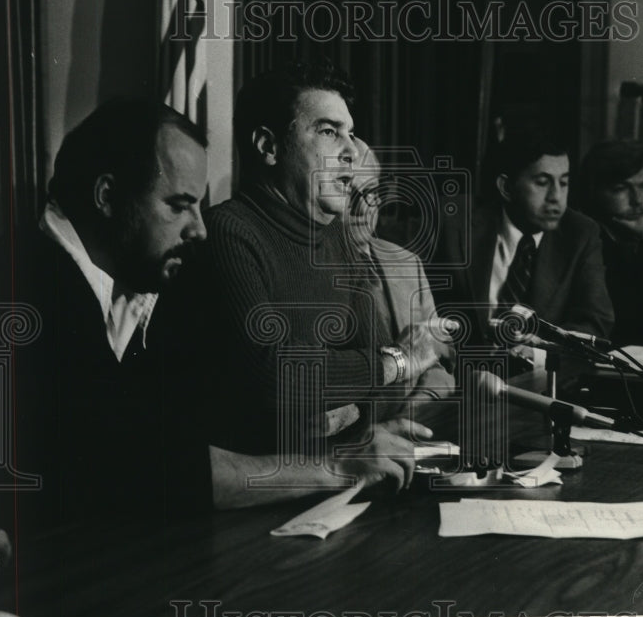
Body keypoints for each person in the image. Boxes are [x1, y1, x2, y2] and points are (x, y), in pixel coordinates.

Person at [0, 98, 421, 548]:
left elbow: (172, 433)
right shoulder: (23, 296)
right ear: (107, 196)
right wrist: (336, 466)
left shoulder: (117, 286)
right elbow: (150, 469)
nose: (199, 229)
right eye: (179, 206)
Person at [187, 59, 452, 455]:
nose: (352, 151)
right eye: (329, 131)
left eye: (350, 133)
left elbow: (369, 386)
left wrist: (344, 400)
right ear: (269, 146)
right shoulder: (227, 232)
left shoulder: (339, 240)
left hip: (336, 468)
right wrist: (394, 361)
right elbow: (271, 373)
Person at [437, 126, 614, 366]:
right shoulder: (455, 222)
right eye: (542, 183)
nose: (556, 196)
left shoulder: (580, 233)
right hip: (459, 379)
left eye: (564, 183)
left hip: (538, 383)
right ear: (506, 188)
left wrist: (539, 353)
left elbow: (595, 321)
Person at [341, 138, 456, 413]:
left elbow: (439, 366)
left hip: (416, 429)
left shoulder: (407, 263)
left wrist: (412, 413)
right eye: (348, 193)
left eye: (369, 193)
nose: (361, 208)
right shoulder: (312, 272)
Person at [576, 138, 643, 343]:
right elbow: (627, 328)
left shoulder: (636, 241)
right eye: (620, 189)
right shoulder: (588, 246)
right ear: (593, 193)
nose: (638, 201)